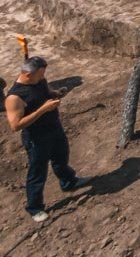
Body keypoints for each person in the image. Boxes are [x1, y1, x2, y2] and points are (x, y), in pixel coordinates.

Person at [5, 56, 89, 222]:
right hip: (36, 138)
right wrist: (42, 110)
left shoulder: (40, 81)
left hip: (54, 128)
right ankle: (35, 208)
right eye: (40, 74)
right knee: (38, 172)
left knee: (61, 157)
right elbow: (15, 125)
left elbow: (46, 92)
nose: (43, 77)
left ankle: (68, 182)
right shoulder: (14, 98)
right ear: (28, 75)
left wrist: (55, 94)